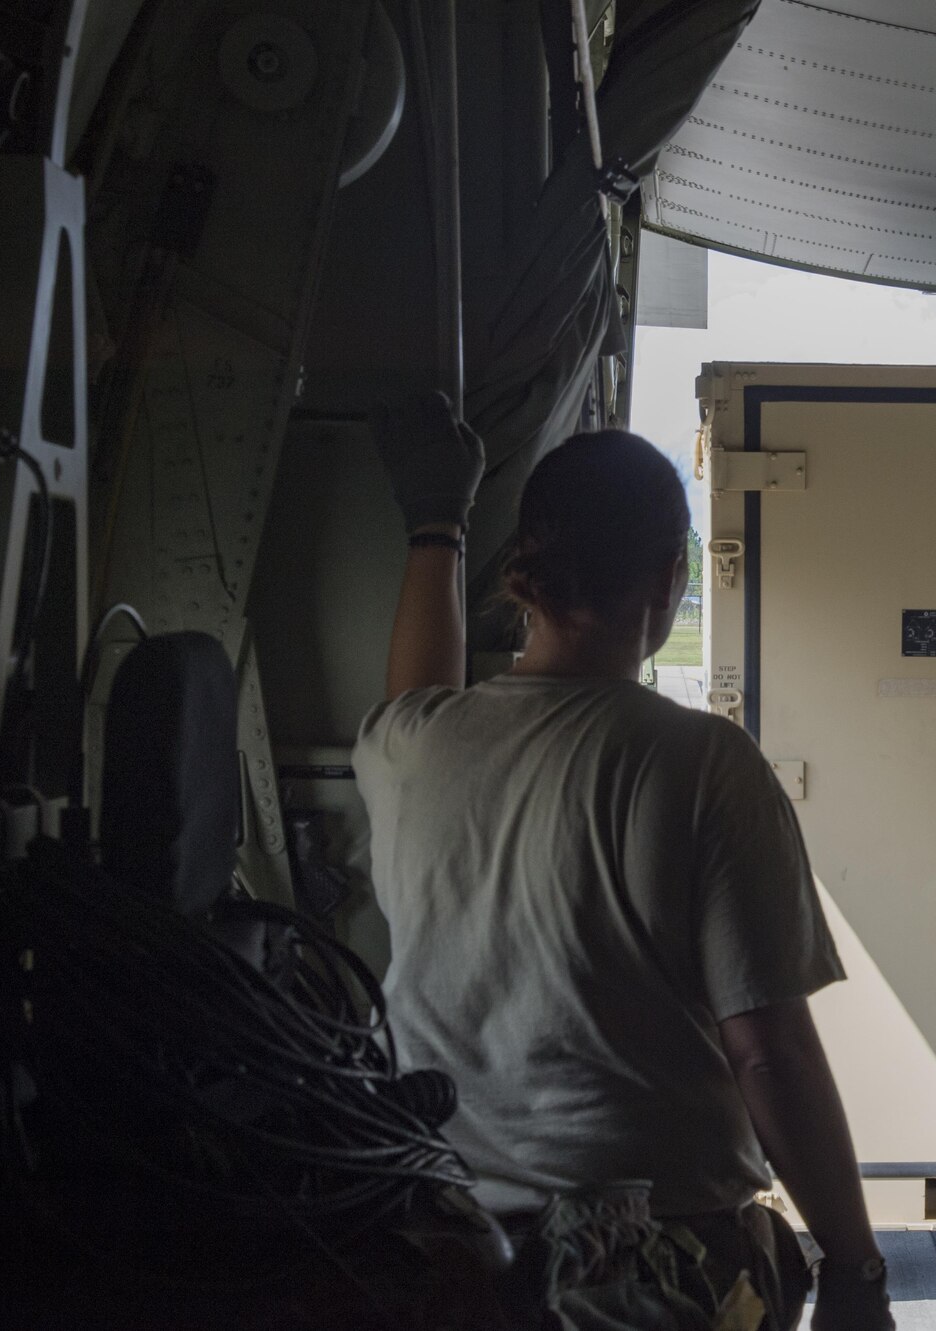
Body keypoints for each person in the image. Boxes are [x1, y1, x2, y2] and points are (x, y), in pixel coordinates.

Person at [353, 395, 891, 1330]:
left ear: (527, 574)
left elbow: (419, 693)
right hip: (645, 1270)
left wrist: (435, 524)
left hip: (447, 1252)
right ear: (671, 580)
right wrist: (856, 1268)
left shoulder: (412, 746)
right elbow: (770, 1054)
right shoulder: (703, 764)